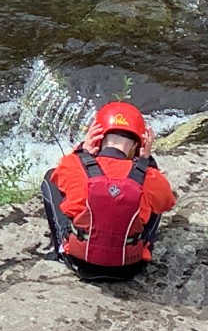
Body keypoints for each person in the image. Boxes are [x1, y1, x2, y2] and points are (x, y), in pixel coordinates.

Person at [41, 101, 176, 281]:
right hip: (130, 268)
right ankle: (144, 245)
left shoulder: (74, 165)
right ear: (138, 145)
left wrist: (81, 151)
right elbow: (167, 203)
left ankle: (61, 247)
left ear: (98, 137)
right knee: (155, 198)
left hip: (79, 262)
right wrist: (147, 163)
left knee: (49, 179)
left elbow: (58, 177)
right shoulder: (150, 177)